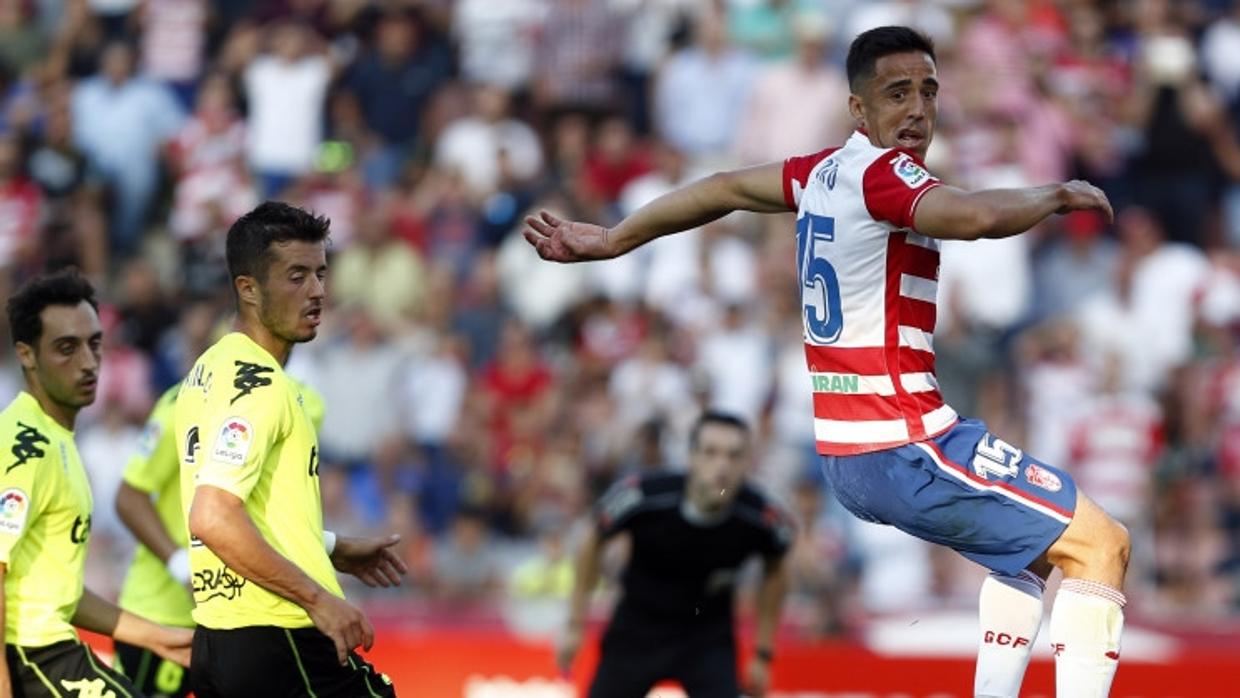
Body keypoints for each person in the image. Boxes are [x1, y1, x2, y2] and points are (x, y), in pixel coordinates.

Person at [525, 26, 1131, 698]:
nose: (918, 109)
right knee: (1102, 545)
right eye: (896, 94)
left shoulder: (821, 173)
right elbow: (972, 216)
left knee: (1027, 554)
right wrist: (1053, 195)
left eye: (928, 91)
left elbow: (722, 187)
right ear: (857, 109)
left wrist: (616, 238)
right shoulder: (886, 174)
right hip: (905, 443)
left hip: (857, 452)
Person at [173, 201, 406, 697]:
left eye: (320, 273)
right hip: (281, 634)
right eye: (296, 276)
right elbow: (212, 515)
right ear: (248, 288)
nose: (317, 291)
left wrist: (330, 547)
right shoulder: (261, 385)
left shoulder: (206, 371)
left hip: (219, 640)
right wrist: (319, 599)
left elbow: (249, 507)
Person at [0, 270, 192, 697]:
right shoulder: (24, 446)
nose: (88, 362)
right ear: (26, 355)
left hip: (49, 649)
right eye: (66, 348)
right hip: (29, 656)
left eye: (95, 343)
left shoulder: (59, 440)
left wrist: (159, 637)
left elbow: (61, 594)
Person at [114, 378, 325, 697]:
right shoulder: (181, 401)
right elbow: (130, 497)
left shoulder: (305, 403)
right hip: (165, 614)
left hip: (251, 618)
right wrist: (182, 567)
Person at [558, 412, 792, 697]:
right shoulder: (644, 495)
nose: (722, 466)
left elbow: (776, 568)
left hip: (708, 638)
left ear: (747, 463)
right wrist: (574, 624)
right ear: (691, 457)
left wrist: (763, 653)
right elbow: (594, 539)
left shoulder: (760, 517)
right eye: (711, 452)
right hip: (637, 631)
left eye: (734, 456)